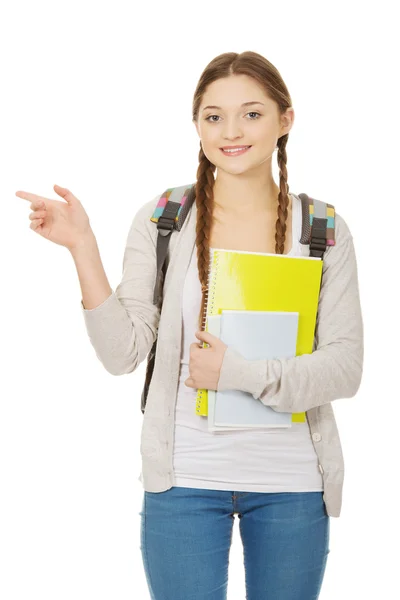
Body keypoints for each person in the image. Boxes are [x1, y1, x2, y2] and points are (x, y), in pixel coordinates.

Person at [17, 51, 364, 600]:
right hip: (184, 482)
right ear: (197, 124)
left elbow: (344, 369)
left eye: (251, 114)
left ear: (285, 120)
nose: (231, 131)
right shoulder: (164, 219)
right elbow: (121, 353)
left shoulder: (322, 229)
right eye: (213, 116)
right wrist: (83, 248)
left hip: (292, 484)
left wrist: (240, 372)